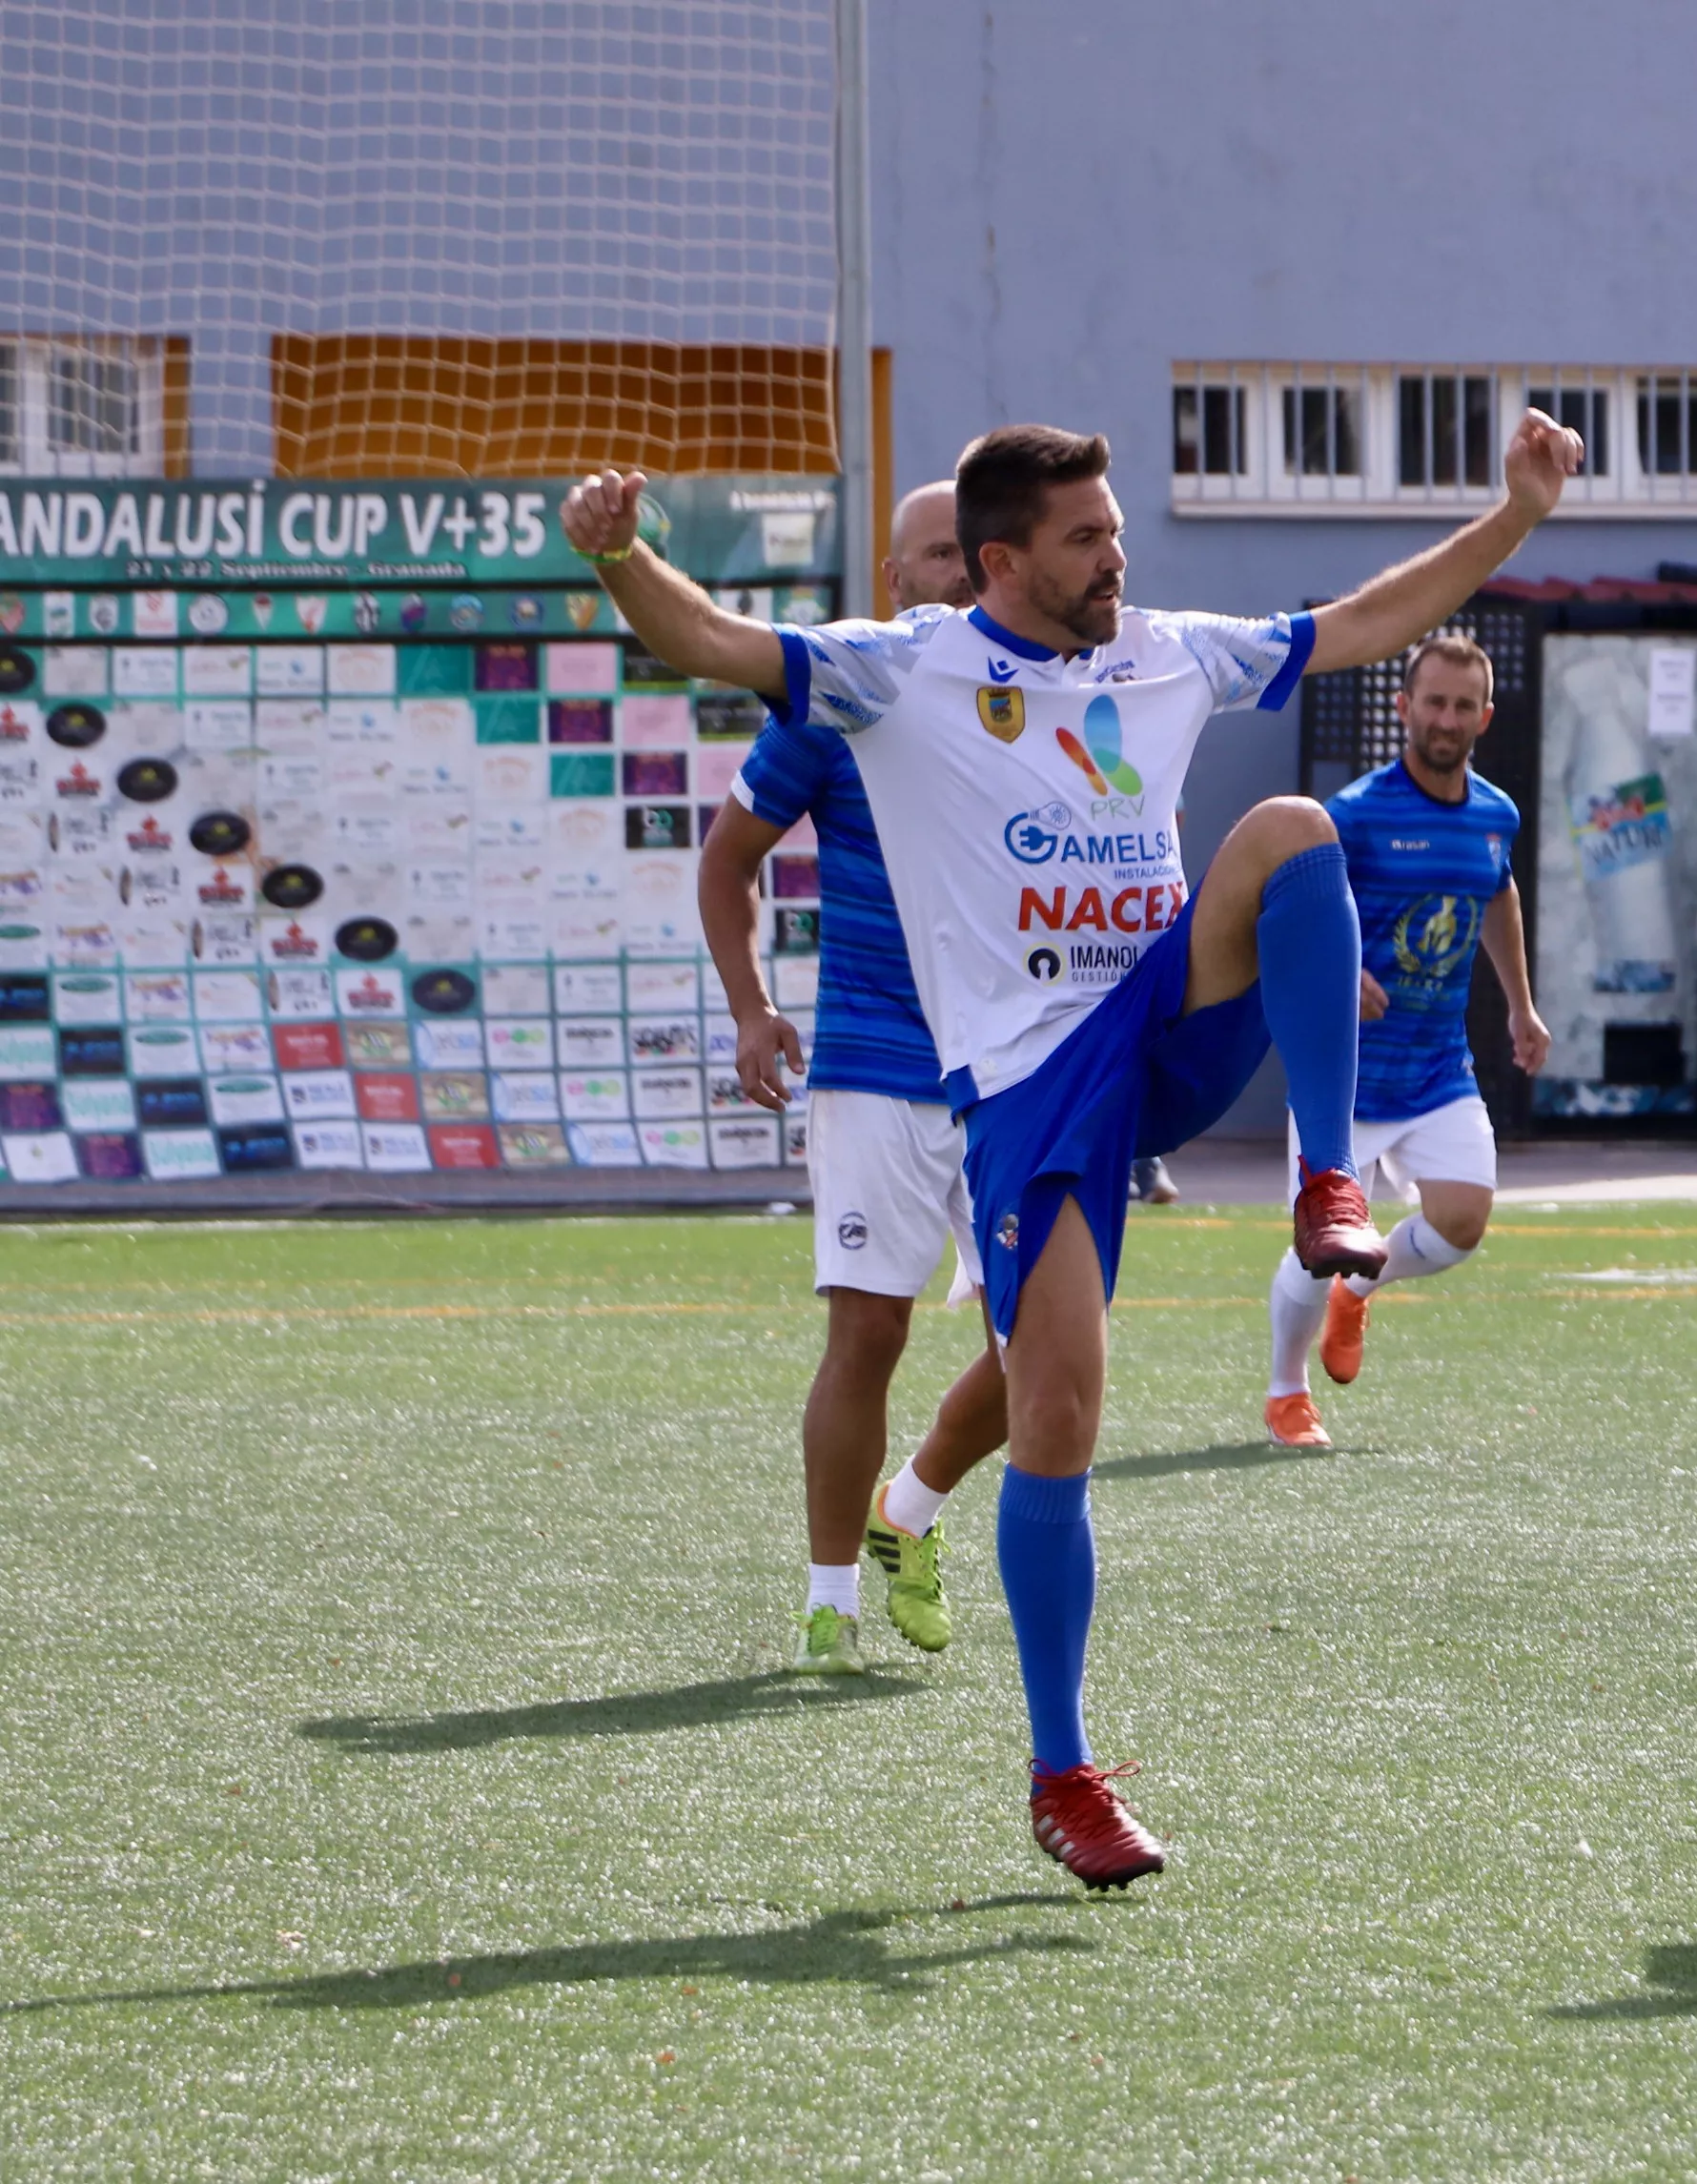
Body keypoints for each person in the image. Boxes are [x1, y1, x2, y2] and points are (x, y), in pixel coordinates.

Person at [564, 404, 1583, 1891]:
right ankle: (1061, 1770)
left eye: (1113, 528)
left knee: (1293, 830)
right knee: (1055, 1413)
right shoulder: (899, 671)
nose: (1118, 554)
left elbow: (1366, 619)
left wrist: (1517, 519)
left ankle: (1324, 1177)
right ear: (1000, 558)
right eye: (1086, 535)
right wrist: (618, 557)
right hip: (1029, 1087)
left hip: (1160, 1013)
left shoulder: (1161, 651)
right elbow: (715, 640)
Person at [695, 478, 1007, 1675]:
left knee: (1043, 1346)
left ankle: (910, 1506)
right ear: (894, 579)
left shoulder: (1036, 704)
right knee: (867, 1333)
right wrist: (752, 1005)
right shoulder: (834, 703)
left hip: (1016, 1072)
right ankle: (830, 1598)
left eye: (971, 559)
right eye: (934, 556)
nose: (955, 578)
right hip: (876, 1062)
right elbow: (727, 865)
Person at [1262, 632, 1551, 1448]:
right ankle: (1286, 1393)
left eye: (1463, 705)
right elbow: (1290, 907)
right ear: (1403, 707)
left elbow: (1497, 895)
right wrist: (1334, 968)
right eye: (1433, 701)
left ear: (1484, 716)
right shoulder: (1350, 816)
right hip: (1343, 1077)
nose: (1446, 718)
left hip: (1436, 1069)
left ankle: (1361, 1292)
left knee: (1462, 1223)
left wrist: (1519, 1006)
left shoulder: (1496, 814)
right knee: (1317, 1250)